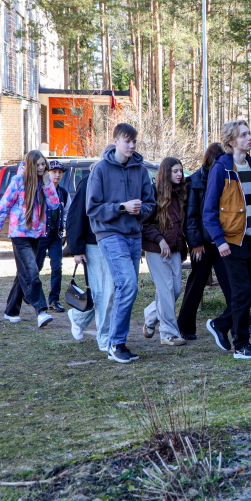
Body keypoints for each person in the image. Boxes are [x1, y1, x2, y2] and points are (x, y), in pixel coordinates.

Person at [87, 123, 156, 364]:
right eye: (127, 141)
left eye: (134, 141)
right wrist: (121, 207)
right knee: (128, 285)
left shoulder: (141, 169)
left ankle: (116, 343)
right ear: (115, 141)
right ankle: (115, 344)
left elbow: (150, 205)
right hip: (109, 234)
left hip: (134, 235)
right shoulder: (101, 169)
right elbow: (92, 208)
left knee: (126, 288)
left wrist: (140, 210)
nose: (132, 145)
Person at [203, 120, 251, 359]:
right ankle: (241, 345)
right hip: (231, 242)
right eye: (243, 135)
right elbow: (209, 210)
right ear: (231, 142)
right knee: (241, 293)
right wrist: (219, 240)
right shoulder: (221, 169)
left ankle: (221, 324)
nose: (249, 138)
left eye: (249, 133)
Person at [178, 143, 251, 340]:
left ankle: (240, 324)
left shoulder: (227, 178)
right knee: (196, 286)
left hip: (221, 242)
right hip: (202, 244)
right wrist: (195, 244)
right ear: (214, 159)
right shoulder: (195, 181)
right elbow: (191, 217)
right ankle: (185, 327)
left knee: (231, 285)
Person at [0, 151, 60, 328]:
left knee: (24, 272)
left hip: (37, 234)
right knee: (31, 271)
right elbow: (3, 206)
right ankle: (41, 311)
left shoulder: (45, 181)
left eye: (43, 164)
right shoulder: (18, 181)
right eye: (38, 165)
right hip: (19, 233)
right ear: (30, 165)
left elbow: (54, 204)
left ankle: (11, 311)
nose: (42, 168)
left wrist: (47, 184)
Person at [64, 170, 114, 351]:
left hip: (117, 244)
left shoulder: (122, 179)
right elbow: (76, 216)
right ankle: (105, 338)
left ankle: (78, 318)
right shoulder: (89, 182)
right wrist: (77, 249)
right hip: (94, 245)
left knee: (110, 292)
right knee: (103, 293)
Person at [142, 157, 189, 346]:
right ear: (166, 172)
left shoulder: (181, 193)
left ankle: (150, 315)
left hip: (175, 248)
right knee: (166, 290)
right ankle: (168, 333)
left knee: (174, 290)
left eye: (181, 171)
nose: (179, 174)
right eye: (175, 171)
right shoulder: (153, 192)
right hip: (157, 249)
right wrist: (159, 240)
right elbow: (144, 223)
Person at [36, 160, 69, 312]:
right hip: (41, 236)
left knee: (57, 268)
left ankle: (54, 300)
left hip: (56, 236)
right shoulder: (40, 191)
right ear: (47, 173)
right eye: (54, 172)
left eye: (60, 172)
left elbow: (67, 211)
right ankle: (31, 295)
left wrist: (64, 226)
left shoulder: (63, 193)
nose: (57, 175)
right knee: (36, 267)